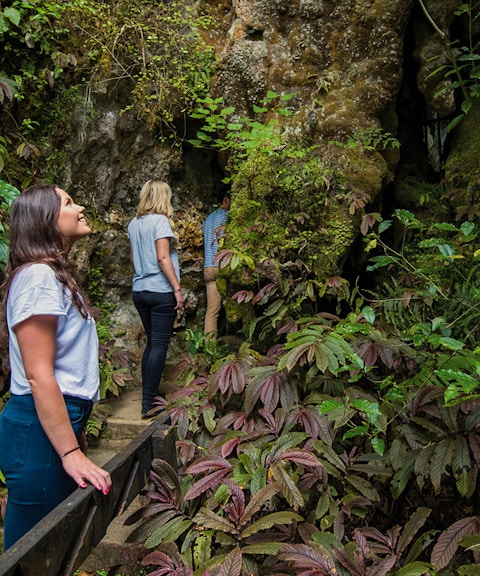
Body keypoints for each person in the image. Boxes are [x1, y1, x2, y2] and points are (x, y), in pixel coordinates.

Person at [0, 184, 112, 550]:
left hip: (49, 427)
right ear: (45, 220)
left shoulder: (51, 276)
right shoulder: (38, 278)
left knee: (51, 547)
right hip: (36, 431)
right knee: (31, 553)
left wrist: (74, 439)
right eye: (67, 202)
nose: (80, 207)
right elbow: (39, 374)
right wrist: (69, 452)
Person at [127, 180, 184, 418]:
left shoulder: (133, 224)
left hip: (140, 290)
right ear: (163, 197)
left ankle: (150, 392)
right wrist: (177, 289)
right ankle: (149, 402)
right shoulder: (160, 222)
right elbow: (163, 258)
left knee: (152, 342)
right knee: (159, 344)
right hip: (160, 290)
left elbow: (132, 259)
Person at [203, 188, 231, 339]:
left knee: (212, 311)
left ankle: (209, 349)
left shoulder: (208, 219)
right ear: (226, 199)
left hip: (208, 266)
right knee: (240, 306)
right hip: (222, 266)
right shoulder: (226, 217)